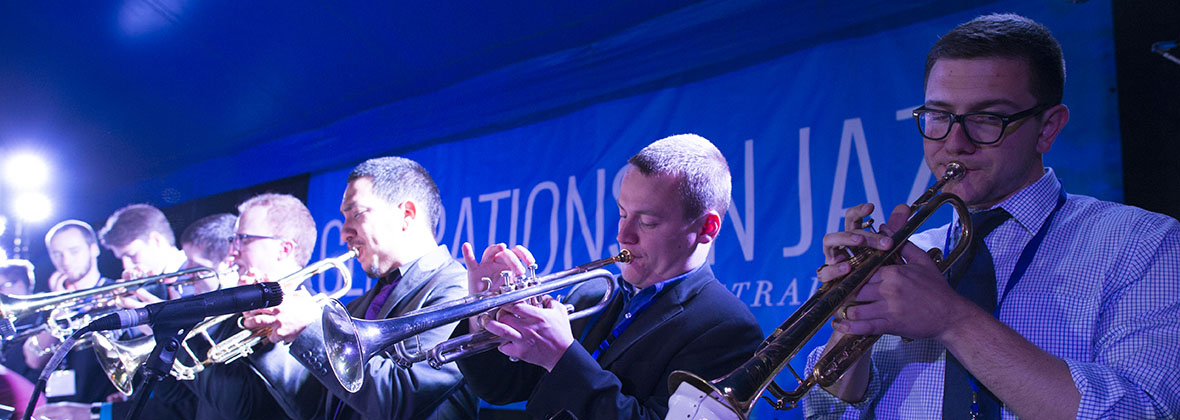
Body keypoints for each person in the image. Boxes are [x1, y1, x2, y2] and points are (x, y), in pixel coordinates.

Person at [803, 14, 1180, 419]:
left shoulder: (1145, 242)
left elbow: (1144, 412)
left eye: (988, 118)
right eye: (939, 115)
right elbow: (824, 415)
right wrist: (852, 324)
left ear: (1048, 128)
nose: (954, 144)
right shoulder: (913, 257)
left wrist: (952, 318)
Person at [455, 134, 764, 419]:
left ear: (706, 229)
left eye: (647, 222)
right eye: (622, 213)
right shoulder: (590, 294)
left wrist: (562, 357)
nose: (622, 235)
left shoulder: (730, 330)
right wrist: (483, 312)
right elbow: (499, 389)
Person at [243, 157, 478, 420]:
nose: (343, 234)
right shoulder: (357, 306)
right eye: (344, 218)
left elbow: (403, 395)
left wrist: (309, 327)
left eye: (356, 214)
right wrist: (268, 337)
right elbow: (318, 409)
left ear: (406, 214)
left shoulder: (457, 289)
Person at [22, 220, 119, 405]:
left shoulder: (116, 294)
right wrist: (60, 308)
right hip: (57, 406)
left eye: (74, 251)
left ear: (94, 249)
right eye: (57, 254)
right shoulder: (50, 303)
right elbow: (34, 360)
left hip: (100, 406)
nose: (65, 261)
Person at [98, 204, 187, 282]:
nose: (126, 266)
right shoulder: (157, 283)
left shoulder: (195, 272)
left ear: (156, 240)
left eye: (132, 254)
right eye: (122, 258)